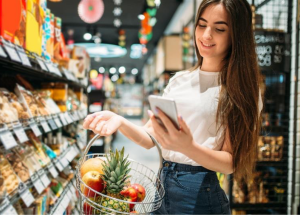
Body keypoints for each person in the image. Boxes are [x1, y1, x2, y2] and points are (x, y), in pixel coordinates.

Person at [83, 0, 263, 214]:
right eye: (202, 24)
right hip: (162, 183)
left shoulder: (238, 89)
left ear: (236, 36)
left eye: (219, 29)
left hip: (199, 192)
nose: (206, 35)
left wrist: (189, 148)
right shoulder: (180, 81)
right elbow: (150, 138)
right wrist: (119, 121)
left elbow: (230, 162)